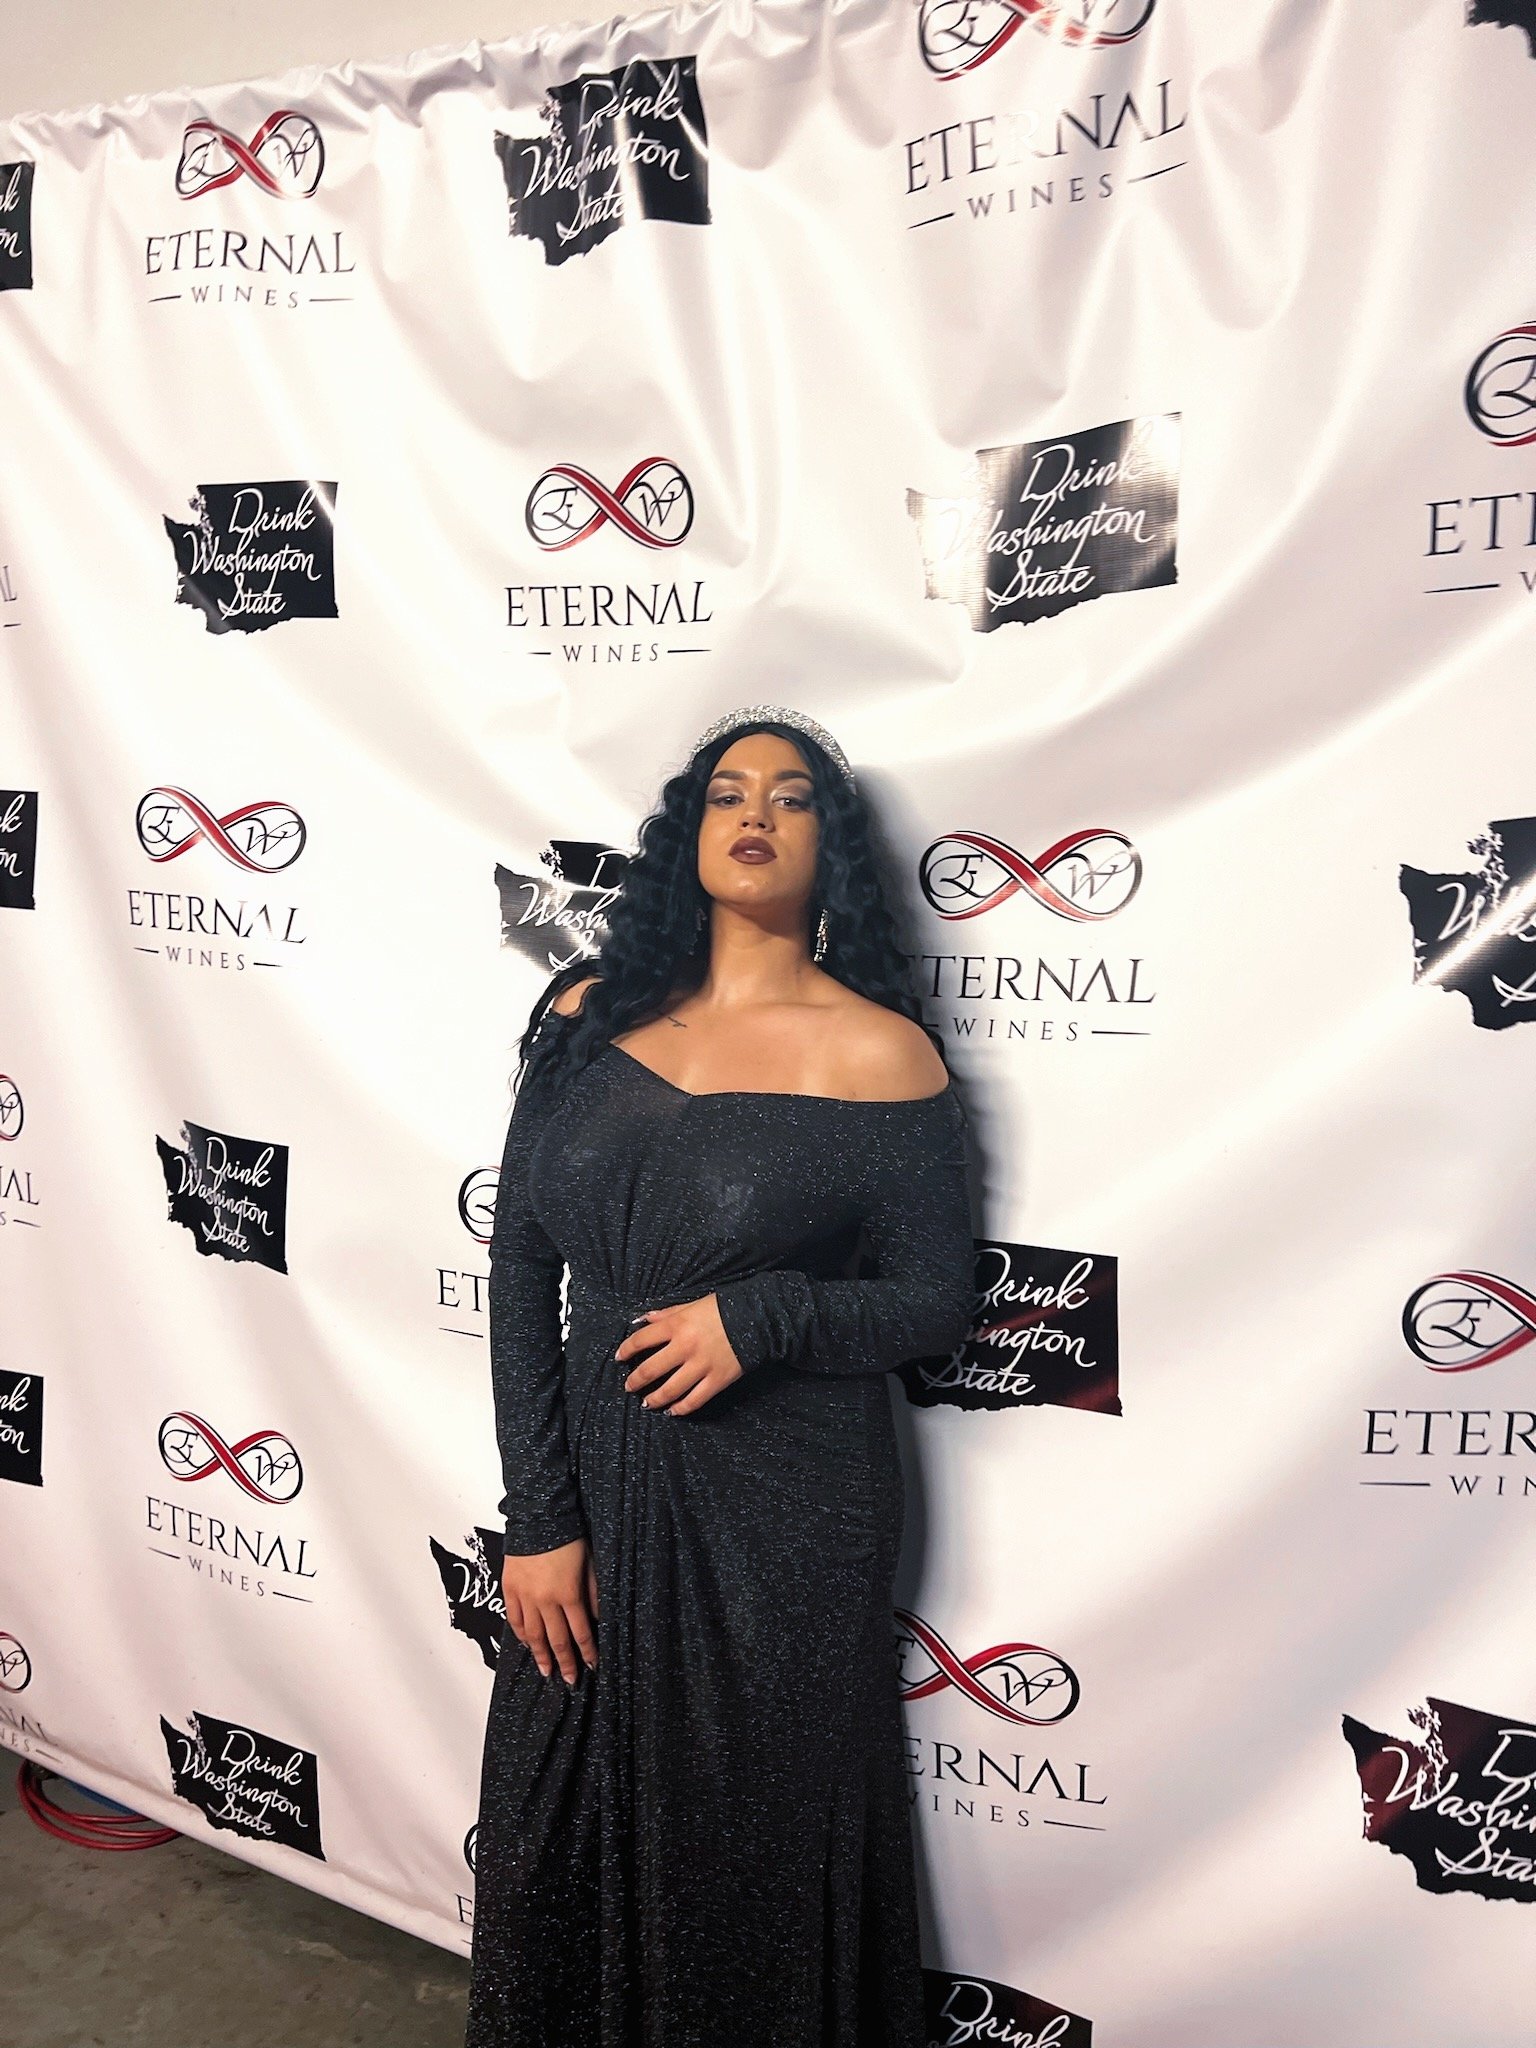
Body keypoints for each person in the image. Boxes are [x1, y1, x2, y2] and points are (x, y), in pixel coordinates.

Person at [463, 706, 977, 2048]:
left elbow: (936, 1300)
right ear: (687, 834)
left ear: (830, 847)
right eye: (727, 792)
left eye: (792, 797)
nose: (756, 813)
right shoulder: (586, 1013)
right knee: (547, 1825)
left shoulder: (882, 1051)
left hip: (787, 1519)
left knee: (751, 1851)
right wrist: (541, 1517)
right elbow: (519, 1263)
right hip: (593, 1485)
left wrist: (767, 1313)